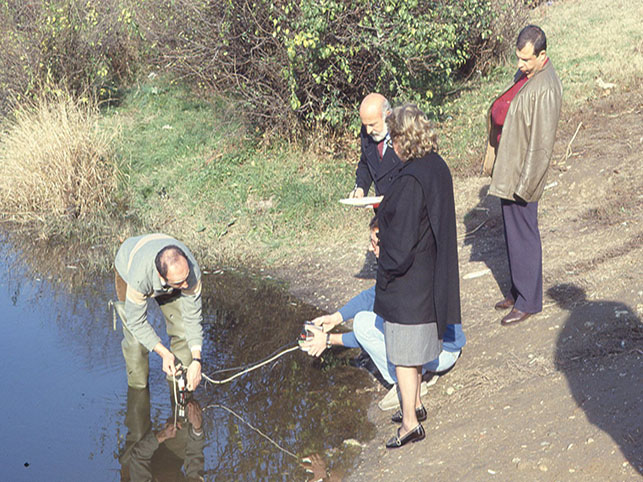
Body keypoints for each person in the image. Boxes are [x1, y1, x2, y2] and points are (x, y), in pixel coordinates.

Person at [302, 218, 465, 412]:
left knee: (363, 323)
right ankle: (415, 375)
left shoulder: (403, 280)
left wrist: (328, 340)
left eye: (374, 243)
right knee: (373, 321)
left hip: (442, 353)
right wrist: (335, 318)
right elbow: (371, 295)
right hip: (441, 346)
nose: (371, 249)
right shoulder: (410, 262)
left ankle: (409, 384)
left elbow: (382, 331)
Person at [374, 104, 461, 448]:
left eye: (392, 136)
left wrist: (381, 242)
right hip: (431, 273)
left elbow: (402, 241)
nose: (390, 143)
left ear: (401, 139)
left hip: (410, 283)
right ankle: (417, 404)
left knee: (405, 356)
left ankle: (410, 423)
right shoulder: (435, 165)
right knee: (414, 353)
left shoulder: (410, 179)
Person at [481, 25, 563, 326]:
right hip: (510, 167)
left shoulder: (547, 86)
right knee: (512, 233)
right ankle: (518, 292)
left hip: (522, 175)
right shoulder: (527, 76)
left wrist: (527, 185)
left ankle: (529, 301)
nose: (520, 64)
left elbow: (542, 143)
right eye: (518, 58)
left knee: (524, 234)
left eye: (526, 59)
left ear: (543, 56)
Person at [114, 233, 204, 391]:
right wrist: (164, 353)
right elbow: (136, 322)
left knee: (182, 330)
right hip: (128, 269)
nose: (185, 285)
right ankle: (138, 392)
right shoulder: (139, 278)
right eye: (179, 282)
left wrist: (197, 360)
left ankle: (180, 384)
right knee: (136, 341)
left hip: (166, 274)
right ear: (161, 276)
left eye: (186, 278)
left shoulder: (191, 274)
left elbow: (192, 318)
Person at [119, 386, 205, 480]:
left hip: (135, 464)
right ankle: (179, 378)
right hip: (168, 464)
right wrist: (197, 428)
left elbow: (138, 455)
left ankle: (137, 384)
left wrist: (161, 436)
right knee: (185, 427)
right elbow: (195, 457)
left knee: (138, 431)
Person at [348, 93, 402, 199]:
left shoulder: (405, 135)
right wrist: (360, 187)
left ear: (388, 115)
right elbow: (366, 163)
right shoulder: (367, 133)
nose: (368, 131)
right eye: (365, 125)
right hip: (381, 209)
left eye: (372, 125)